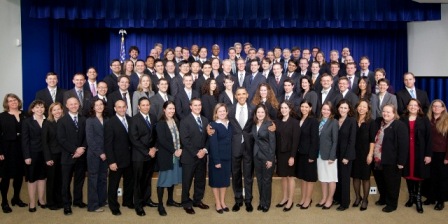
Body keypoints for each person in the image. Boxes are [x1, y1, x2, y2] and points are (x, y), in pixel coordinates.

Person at [373, 104, 409, 213]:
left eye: (388, 112)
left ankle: (392, 204)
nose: (385, 114)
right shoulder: (379, 123)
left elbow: (403, 145)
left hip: (392, 160)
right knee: (380, 181)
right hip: (378, 159)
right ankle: (383, 199)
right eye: (384, 111)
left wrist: (401, 162)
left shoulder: (399, 125)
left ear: (394, 113)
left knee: (391, 183)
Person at [400, 99, 432, 213]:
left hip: (420, 151)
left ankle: (418, 199)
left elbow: (429, 138)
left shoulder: (424, 120)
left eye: (415, 105)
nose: (413, 107)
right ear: (407, 106)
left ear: (419, 107)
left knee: (418, 174)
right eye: (411, 105)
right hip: (406, 151)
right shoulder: (402, 119)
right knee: (408, 174)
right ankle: (411, 197)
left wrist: (428, 154)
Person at [57, 97, 87, 215]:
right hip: (68, 156)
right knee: (66, 182)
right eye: (71, 104)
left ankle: (78, 201)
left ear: (79, 105)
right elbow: (61, 139)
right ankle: (67, 204)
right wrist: (75, 150)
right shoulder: (62, 121)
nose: (74, 106)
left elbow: (87, 137)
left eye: (76, 104)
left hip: (81, 156)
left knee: (79, 180)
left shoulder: (84, 119)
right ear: (67, 106)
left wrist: (81, 149)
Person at [179, 98, 209, 214]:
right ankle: (186, 203)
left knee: (200, 180)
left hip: (202, 156)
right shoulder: (185, 121)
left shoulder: (205, 120)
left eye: (199, 105)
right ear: (190, 107)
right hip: (190, 156)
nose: (198, 107)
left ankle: (197, 200)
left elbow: (208, 137)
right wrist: (197, 152)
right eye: (195, 105)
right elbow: (185, 140)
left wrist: (204, 150)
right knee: (187, 181)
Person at [129, 97, 158, 216]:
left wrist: (154, 148)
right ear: (138, 107)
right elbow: (134, 139)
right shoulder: (134, 120)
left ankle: (147, 200)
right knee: (138, 181)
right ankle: (138, 205)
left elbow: (156, 135)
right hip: (139, 156)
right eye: (143, 105)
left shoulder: (153, 117)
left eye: (147, 105)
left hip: (151, 155)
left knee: (147, 179)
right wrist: (147, 151)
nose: (146, 107)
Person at [104, 100, 133, 216]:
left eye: (123, 107)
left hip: (130, 158)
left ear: (126, 107)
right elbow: (108, 144)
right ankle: (113, 205)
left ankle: (127, 201)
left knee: (129, 182)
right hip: (116, 160)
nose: (121, 109)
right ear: (115, 109)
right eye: (119, 107)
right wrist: (111, 161)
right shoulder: (110, 123)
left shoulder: (131, 120)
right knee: (113, 184)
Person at [228, 88, 255, 212]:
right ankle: (238, 200)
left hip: (249, 146)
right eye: (239, 94)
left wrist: (272, 125)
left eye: (244, 93)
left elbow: (262, 120)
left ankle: (248, 200)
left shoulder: (253, 108)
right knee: (236, 174)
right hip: (235, 146)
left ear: (247, 94)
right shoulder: (230, 109)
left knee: (248, 175)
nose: (241, 96)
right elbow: (222, 121)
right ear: (235, 96)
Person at [0, 94, 27, 213]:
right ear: (7, 103)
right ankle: (4, 201)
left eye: (15, 100)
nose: (13, 102)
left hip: (22, 148)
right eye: (10, 101)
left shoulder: (25, 114)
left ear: (18, 101)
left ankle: (16, 198)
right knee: (5, 177)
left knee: (19, 175)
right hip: (7, 149)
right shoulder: (2, 116)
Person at [155, 101, 183, 216]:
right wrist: (174, 151)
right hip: (166, 156)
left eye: (173, 109)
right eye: (169, 108)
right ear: (164, 110)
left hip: (177, 156)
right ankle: (160, 205)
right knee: (163, 180)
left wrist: (180, 149)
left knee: (172, 179)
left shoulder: (176, 121)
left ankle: (170, 200)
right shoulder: (161, 123)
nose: (171, 111)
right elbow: (162, 140)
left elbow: (179, 137)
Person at [22, 100, 47, 212]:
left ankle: (41, 199)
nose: (40, 109)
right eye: (37, 107)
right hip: (32, 154)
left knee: (42, 177)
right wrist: (27, 156)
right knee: (32, 179)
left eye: (42, 107)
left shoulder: (48, 121)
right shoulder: (27, 122)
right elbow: (25, 140)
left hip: (45, 154)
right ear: (32, 109)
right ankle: (32, 202)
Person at [274, 102, 300, 212]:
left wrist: (292, 156)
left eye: (286, 108)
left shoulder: (295, 122)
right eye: (282, 108)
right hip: (280, 153)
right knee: (283, 177)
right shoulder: (277, 122)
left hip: (290, 154)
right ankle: (284, 198)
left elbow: (296, 141)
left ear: (290, 109)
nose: (283, 110)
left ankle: (290, 200)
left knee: (290, 177)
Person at [351, 99, 376, 211]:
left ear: (368, 109)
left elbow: (372, 140)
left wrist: (370, 154)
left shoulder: (371, 122)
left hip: (366, 153)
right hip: (354, 153)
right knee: (355, 177)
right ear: (357, 107)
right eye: (360, 106)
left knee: (365, 178)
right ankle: (358, 197)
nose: (361, 108)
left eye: (364, 107)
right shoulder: (352, 120)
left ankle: (365, 199)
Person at [208, 103, 232, 214]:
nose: (222, 113)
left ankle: (223, 202)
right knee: (216, 181)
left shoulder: (230, 124)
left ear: (227, 112)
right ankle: (217, 203)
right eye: (220, 111)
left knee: (224, 182)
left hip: (227, 157)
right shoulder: (213, 125)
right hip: (217, 159)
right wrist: (216, 161)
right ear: (216, 113)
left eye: (224, 111)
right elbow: (213, 145)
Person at [85, 99, 108, 212]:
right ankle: (93, 205)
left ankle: (102, 201)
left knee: (103, 178)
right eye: (96, 105)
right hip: (94, 154)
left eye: (101, 104)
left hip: (106, 154)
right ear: (93, 107)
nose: (99, 107)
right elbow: (90, 140)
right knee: (93, 179)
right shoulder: (90, 121)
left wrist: (106, 153)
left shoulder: (107, 119)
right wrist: (100, 153)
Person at [334, 99, 357, 211]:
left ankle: (345, 202)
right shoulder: (335, 119)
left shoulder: (352, 121)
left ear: (349, 109)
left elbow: (352, 140)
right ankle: (337, 198)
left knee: (345, 179)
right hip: (336, 155)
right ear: (338, 108)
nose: (342, 110)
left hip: (346, 155)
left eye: (345, 108)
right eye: (341, 107)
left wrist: (347, 157)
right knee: (337, 177)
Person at [295, 100, 319, 209]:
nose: (304, 108)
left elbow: (315, 140)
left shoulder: (313, 121)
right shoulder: (299, 119)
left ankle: (308, 200)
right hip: (301, 153)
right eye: (302, 106)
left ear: (310, 108)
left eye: (306, 107)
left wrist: (312, 156)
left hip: (309, 154)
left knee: (309, 178)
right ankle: (303, 198)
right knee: (303, 178)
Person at [425, 99, 448, 210]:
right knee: (431, 177)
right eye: (434, 106)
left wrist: (447, 157)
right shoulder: (428, 120)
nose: (436, 108)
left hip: (442, 154)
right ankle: (431, 198)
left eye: (438, 106)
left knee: (441, 178)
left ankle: (440, 201)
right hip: (429, 153)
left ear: (443, 108)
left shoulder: (446, 121)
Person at [252, 104, 276, 212]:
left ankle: (267, 203)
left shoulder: (270, 124)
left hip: (267, 157)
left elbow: (272, 143)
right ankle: (262, 201)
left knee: (267, 181)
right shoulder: (254, 124)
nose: (260, 114)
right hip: (257, 156)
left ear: (265, 113)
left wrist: (271, 159)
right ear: (255, 114)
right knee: (260, 180)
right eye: (258, 112)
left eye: (262, 112)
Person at [316, 102, 339, 210]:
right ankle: (324, 198)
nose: (325, 111)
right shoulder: (319, 121)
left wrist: (332, 156)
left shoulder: (334, 122)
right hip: (319, 155)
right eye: (324, 109)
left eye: (328, 110)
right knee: (323, 178)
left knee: (331, 178)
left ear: (331, 111)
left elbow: (335, 141)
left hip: (329, 156)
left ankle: (330, 199)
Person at [42, 102, 64, 210]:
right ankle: (50, 202)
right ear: (51, 112)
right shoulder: (47, 123)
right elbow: (44, 142)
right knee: (51, 179)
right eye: (54, 110)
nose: (57, 112)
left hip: (63, 155)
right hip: (52, 155)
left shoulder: (65, 121)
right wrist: (47, 158)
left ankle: (59, 200)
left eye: (59, 109)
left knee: (60, 179)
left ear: (62, 110)